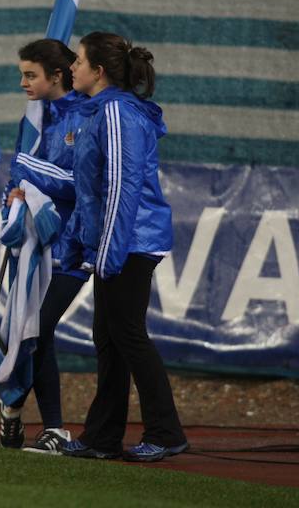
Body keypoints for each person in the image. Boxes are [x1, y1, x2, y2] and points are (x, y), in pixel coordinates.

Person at [58, 31, 188, 462]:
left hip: (131, 242)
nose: (71, 68)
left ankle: (166, 433)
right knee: (110, 338)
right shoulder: (100, 111)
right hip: (118, 243)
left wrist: (109, 253)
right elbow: (90, 190)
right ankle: (102, 437)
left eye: (78, 61)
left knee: (127, 335)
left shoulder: (116, 113)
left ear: (98, 71)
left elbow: (121, 186)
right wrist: (81, 243)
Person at [0, 39, 91, 454]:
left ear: (57, 75)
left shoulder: (85, 116)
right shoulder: (36, 117)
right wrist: (13, 200)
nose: (23, 83)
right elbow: (18, 174)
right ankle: (24, 415)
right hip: (36, 243)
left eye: (30, 75)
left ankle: (43, 420)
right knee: (30, 330)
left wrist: (28, 173)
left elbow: (82, 183)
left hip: (74, 245)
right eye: (22, 74)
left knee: (40, 328)